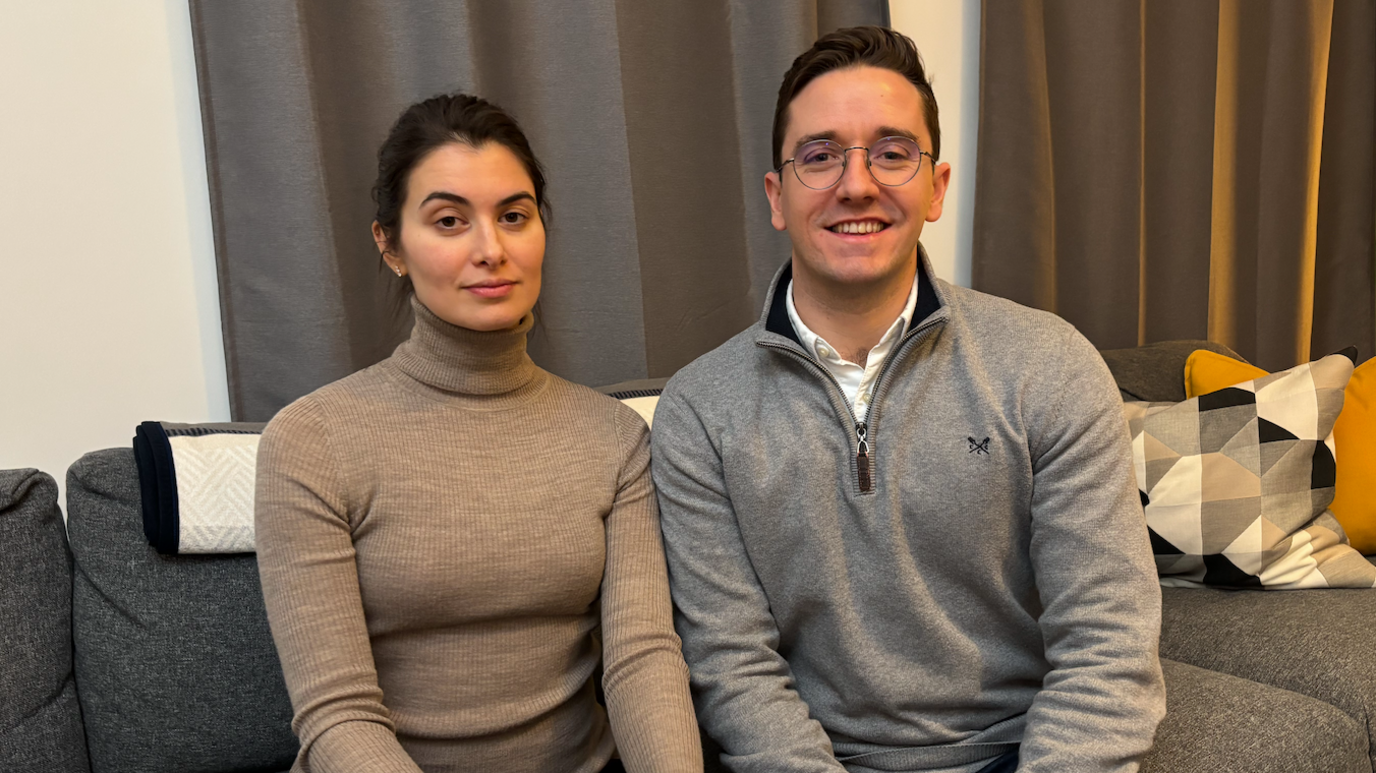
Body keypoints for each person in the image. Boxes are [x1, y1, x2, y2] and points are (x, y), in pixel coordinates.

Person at [651, 26, 1165, 773]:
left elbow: (1108, 642)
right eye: (819, 155)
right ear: (777, 194)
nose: (856, 183)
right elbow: (733, 669)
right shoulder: (700, 410)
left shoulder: (1049, 363)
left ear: (937, 186)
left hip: (1022, 752)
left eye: (892, 152)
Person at [255, 93, 702, 773]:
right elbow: (336, 714)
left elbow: (641, 658)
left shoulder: (614, 438)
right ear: (391, 245)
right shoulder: (311, 441)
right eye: (449, 220)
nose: (491, 249)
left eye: (514, 217)